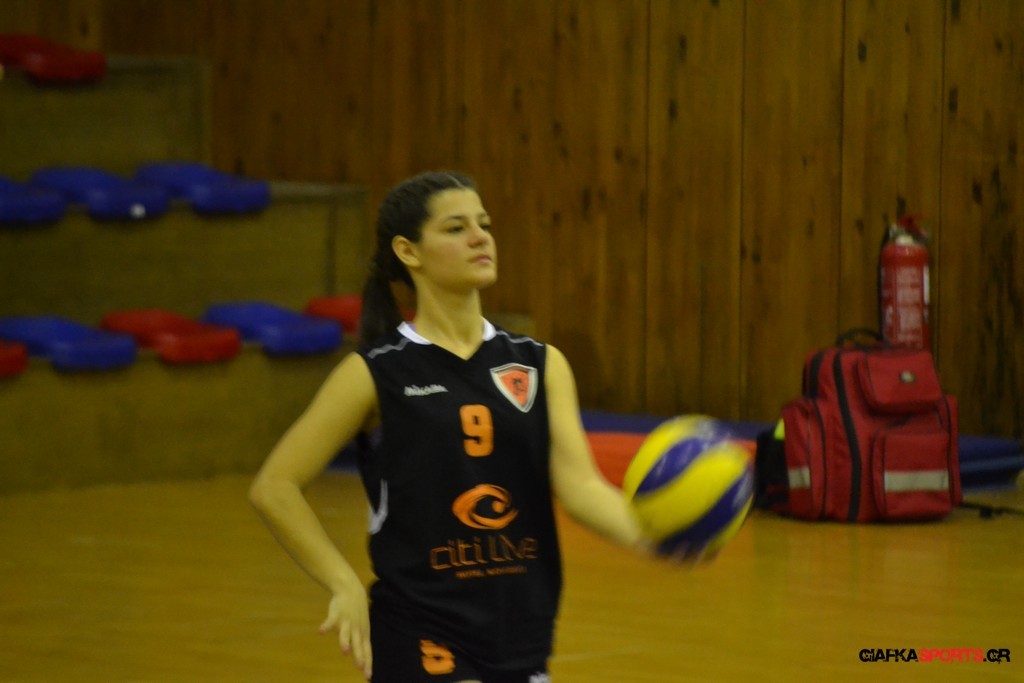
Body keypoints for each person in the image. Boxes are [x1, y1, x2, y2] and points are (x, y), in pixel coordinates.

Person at [249, 171, 652, 682]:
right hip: (420, 629)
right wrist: (342, 581)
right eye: (456, 228)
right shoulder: (377, 371)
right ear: (408, 251)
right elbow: (275, 486)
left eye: (484, 224)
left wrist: (656, 535)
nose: (480, 237)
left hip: (519, 633)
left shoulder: (541, 364)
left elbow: (582, 488)